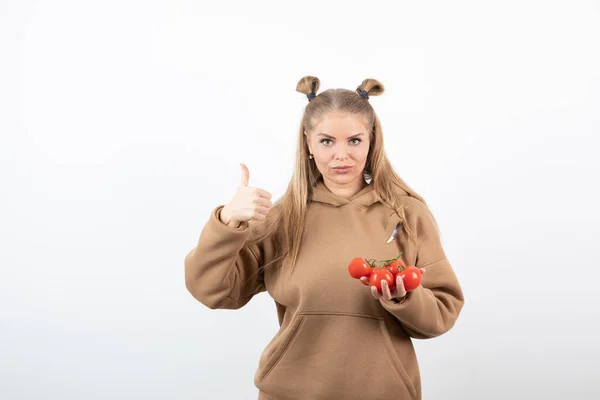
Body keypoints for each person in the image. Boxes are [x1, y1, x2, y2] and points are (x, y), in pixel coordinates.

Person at [184, 76, 465, 400]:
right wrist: (227, 222)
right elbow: (211, 292)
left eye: (355, 141)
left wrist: (404, 300)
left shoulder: (407, 215)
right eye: (327, 141)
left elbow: (443, 312)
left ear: (372, 141)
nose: (341, 155)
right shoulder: (281, 219)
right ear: (308, 143)